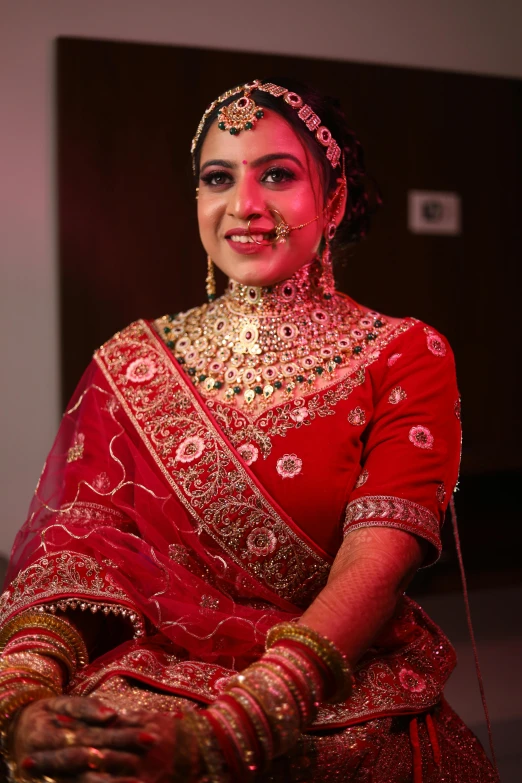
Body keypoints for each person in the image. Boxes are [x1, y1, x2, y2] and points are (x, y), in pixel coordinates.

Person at [0, 78, 497, 783]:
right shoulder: (132, 363)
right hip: (148, 681)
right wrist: (23, 696)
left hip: (333, 689)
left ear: (333, 199)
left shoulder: (402, 354)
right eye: (217, 178)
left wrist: (227, 734)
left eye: (278, 175)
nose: (245, 205)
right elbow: (76, 557)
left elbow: (377, 566)